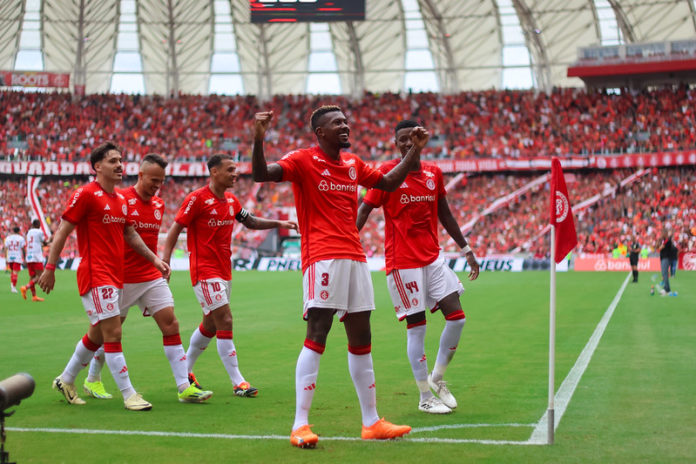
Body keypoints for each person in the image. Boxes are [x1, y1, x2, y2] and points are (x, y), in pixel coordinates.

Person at [252, 106, 426, 448]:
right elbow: (261, 174)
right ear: (320, 132)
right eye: (337, 123)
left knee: (362, 336)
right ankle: (300, 424)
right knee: (318, 331)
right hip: (322, 256)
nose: (345, 126)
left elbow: (388, 182)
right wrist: (258, 139)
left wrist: (413, 150)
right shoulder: (303, 160)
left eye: (346, 121)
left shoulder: (353, 163)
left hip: (355, 257)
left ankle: (371, 421)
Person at [356, 119, 480, 415]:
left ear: (421, 140)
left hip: (432, 257)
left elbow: (445, 215)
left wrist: (467, 249)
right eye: (401, 140)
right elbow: (364, 209)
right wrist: (348, 246)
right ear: (395, 143)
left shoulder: (433, 174)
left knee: (458, 317)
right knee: (417, 329)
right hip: (403, 262)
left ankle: (437, 377)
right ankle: (425, 396)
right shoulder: (386, 173)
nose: (407, 143)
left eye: (412, 138)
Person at [38, 141, 170, 411]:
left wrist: (155, 259)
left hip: (115, 275)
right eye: (113, 161)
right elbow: (62, 231)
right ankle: (129, 394)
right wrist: (50, 268)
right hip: (96, 274)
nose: (119, 165)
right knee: (113, 332)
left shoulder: (120, 199)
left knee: (97, 334)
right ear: (98, 167)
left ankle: (66, 380)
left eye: (121, 160)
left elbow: (130, 233)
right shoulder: (85, 194)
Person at [162, 154, 297, 399]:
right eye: (230, 169)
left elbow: (251, 222)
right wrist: (166, 261)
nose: (236, 173)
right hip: (204, 270)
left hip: (224, 270)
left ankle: (185, 370)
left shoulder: (232, 201)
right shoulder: (196, 199)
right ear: (214, 172)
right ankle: (238, 382)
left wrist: (280, 223)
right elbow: (175, 229)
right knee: (225, 319)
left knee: (211, 324)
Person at [83, 154, 213, 403]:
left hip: (150, 276)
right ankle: (92, 378)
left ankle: (184, 387)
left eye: (161, 181)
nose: (157, 185)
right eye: (154, 180)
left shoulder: (159, 204)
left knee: (170, 324)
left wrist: (161, 262)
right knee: (107, 333)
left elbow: (150, 241)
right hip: (120, 277)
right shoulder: (121, 199)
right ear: (140, 175)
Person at [21, 219, 49, 301]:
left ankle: (34, 296)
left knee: (32, 277)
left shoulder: (29, 232)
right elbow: (44, 243)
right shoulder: (39, 232)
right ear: (37, 225)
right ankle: (25, 288)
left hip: (29, 256)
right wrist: (50, 241)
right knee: (40, 276)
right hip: (36, 256)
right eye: (39, 225)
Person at [4, 226, 25, 293]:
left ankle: (12, 285)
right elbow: (23, 248)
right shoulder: (21, 238)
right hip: (17, 256)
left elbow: (5, 248)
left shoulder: (8, 238)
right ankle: (13, 287)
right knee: (15, 272)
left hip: (10, 256)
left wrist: (6, 257)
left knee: (12, 271)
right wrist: (24, 257)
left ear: (13, 231)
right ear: (19, 231)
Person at [657, 229, 677, 297]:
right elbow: (658, 247)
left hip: (666, 258)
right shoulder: (664, 241)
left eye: (662, 233)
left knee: (665, 273)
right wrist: (659, 241)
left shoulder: (667, 241)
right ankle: (666, 288)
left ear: (665, 234)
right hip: (663, 258)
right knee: (664, 273)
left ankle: (667, 289)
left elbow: (659, 248)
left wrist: (659, 243)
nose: (661, 235)